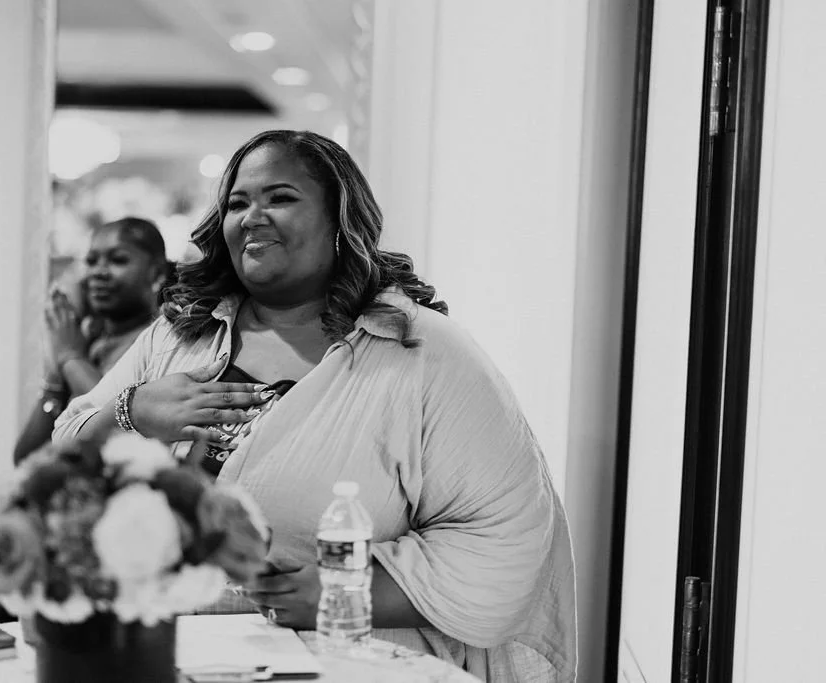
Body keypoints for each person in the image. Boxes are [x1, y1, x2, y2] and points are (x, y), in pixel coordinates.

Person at [53, 131, 576, 681]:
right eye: (237, 202)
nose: (252, 217)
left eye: (279, 197)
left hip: (347, 661)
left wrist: (343, 589)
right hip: (171, 652)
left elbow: (508, 540)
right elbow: (63, 454)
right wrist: (129, 411)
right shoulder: (178, 336)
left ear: (339, 221)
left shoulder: (421, 352)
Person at [14, 216, 169, 464]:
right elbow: (25, 457)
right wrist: (58, 372)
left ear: (157, 272)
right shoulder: (89, 340)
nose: (98, 272)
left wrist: (70, 358)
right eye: (91, 261)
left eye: (118, 260)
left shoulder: (162, 341)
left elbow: (118, 420)